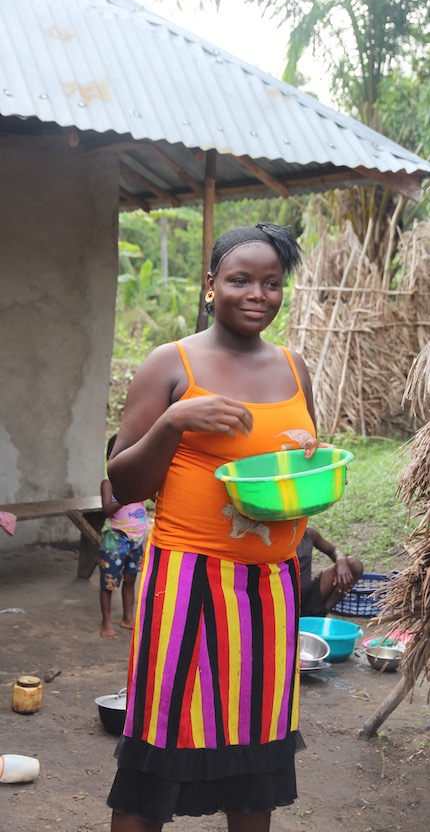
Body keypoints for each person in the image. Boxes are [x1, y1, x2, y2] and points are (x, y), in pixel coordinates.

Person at [106, 223, 323, 832]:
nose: (258, 294)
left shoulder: (294, 367)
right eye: (240, 280)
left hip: (271, 588)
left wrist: (313, 471)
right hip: (187, 585)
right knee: (160, 748)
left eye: (272, 283)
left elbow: (294, 468)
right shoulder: (171, 364)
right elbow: (122, 485)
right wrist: (174, 421)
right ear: (211, 285)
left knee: (256, 755)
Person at [99, 434, 148, 640]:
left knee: (130, 579)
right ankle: (106, 621)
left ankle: (128, 618)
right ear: (111, 458)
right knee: (109, 582)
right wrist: (125, 495)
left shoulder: (139, 482)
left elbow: (153, 496)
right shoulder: (109, 484)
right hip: (115, 540)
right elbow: (107, 509)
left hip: (136, 540)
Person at [297, 525, 363, 617]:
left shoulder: (308, 533)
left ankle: (323, 611)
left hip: (306, 597)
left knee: (353, 564)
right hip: (283, 601)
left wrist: (341, 561)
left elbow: (333, 550)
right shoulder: (277, 539)